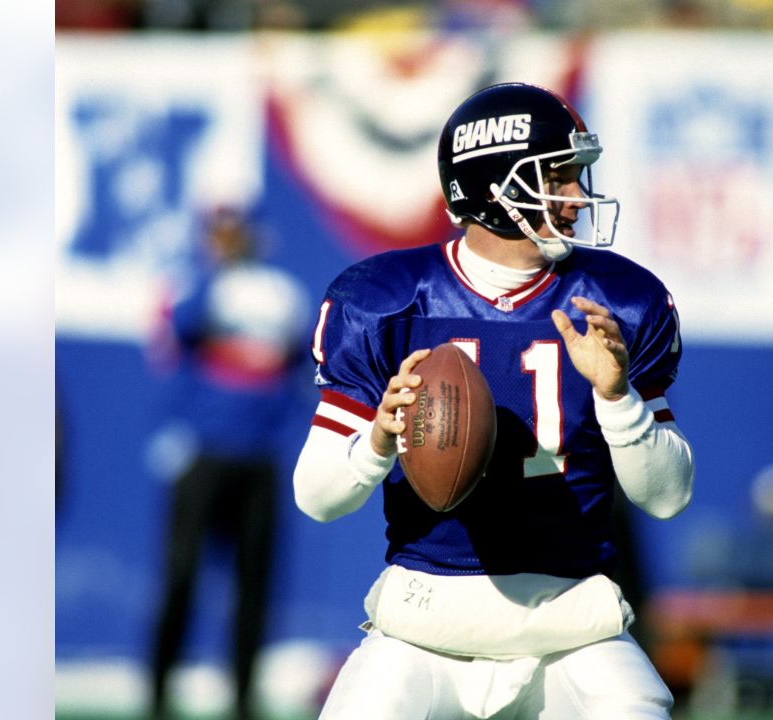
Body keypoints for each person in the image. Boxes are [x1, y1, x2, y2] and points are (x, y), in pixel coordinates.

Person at [293, 82, 695, 719]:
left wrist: (618, 398)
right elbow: (316, 496)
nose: (573, 197)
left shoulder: (617, 298)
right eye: (555, 177)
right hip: (424, 623)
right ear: (495, 188)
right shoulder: (386, 300)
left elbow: (667, 497)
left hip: (574, 627)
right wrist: (376, 442)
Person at [149, 207, 311, 720]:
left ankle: (243, 697)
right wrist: (217, 273)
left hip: (258, 459)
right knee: (181, 578)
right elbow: (179, 334)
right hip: (203, 454)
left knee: (254, 585)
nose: (227, 241)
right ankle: (157, 692)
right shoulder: (195, 286)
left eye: (234, 231)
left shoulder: (283, 293)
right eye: (219, 233)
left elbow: (299, 368)